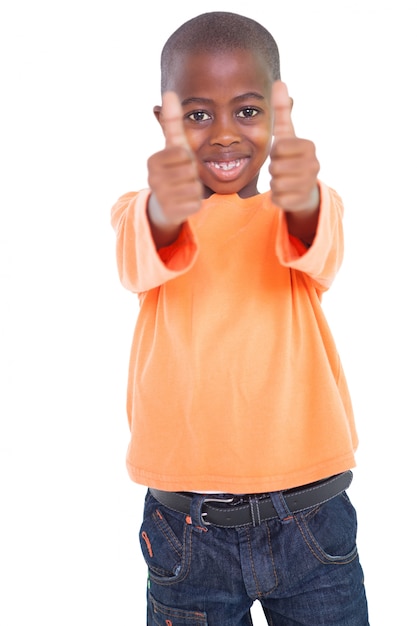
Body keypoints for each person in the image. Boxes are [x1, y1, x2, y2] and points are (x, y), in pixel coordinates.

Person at [111, 11, 369, 625]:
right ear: (165, 121)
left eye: (248, 112)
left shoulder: (302, 209)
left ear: (279, 115)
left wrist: (302, 194)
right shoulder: (140, 214)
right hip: (187, 530)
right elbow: (134, 256)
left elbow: (320, 241)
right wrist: (167, 210)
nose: (224, 133)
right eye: (198, 114)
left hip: (312, 520)